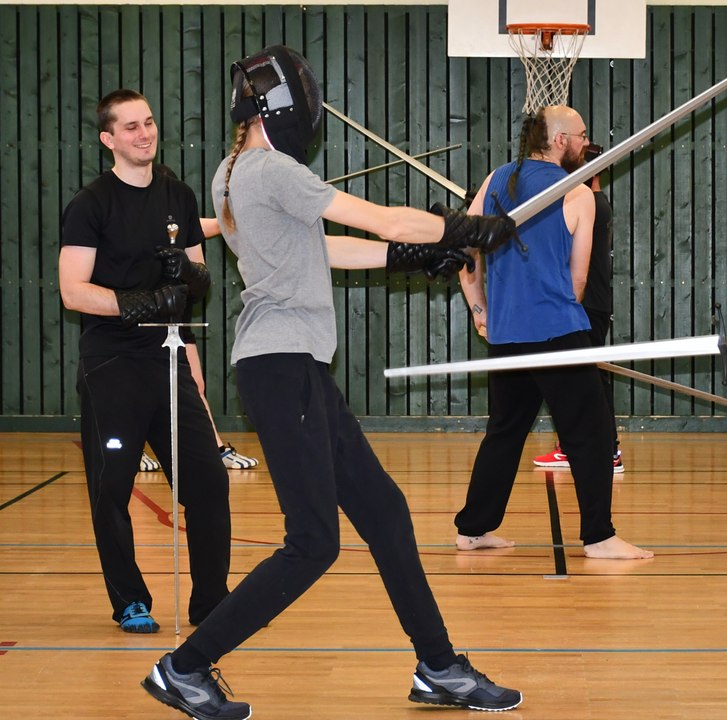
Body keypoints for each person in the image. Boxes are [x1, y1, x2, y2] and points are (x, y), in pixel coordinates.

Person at [138, 45, 521, 720]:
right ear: (287, 105)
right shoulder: (269, 169)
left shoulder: (235, 174)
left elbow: (332, 248)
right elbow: (380, 219)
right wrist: (463, 228)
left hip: (295, 368)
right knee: (314, 541)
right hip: (282, 369)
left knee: (385, 514)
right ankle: (185, 667)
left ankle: (437, 667)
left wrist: (419, 253)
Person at [59, 89, 232, 635]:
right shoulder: (90, 205)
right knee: (112, 487)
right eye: (131, 126)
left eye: (150, 122)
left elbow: (196, 278)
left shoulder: (178, 197)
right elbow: (72, 292)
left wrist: (190, 285)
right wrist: (137, 303)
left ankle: (211, 603)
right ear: (109, 139)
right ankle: (130, 600)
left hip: (170, 358)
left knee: (207, 481)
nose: (145, 133)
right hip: (111, 363)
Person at [456, 106, 651, 560]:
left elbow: (465, 248)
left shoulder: (495, 180)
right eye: (581, 135)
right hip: (558, 333)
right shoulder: (578, 194)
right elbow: (578, 281)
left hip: (508, 337)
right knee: (592, 432)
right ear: (560, 139)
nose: (587, 143)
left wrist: (480, 308)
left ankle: (473, 529)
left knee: (504, 430)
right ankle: (600, 537)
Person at [138, 199, 259, 473]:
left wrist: (242, 211)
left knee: (195, 386)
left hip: (177, 321)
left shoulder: (183, 226)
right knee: (139, 395)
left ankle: (215, 448)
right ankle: (133, 451)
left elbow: (207, 226)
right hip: (143, 324)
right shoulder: (139, 229)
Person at [533, 141, 623, 473]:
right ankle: (573, 446)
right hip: (589, 305)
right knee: (577, 379)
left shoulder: (591, 204)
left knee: (592, 381)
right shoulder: (594, 202)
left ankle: (608, 449)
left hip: (587, 305)